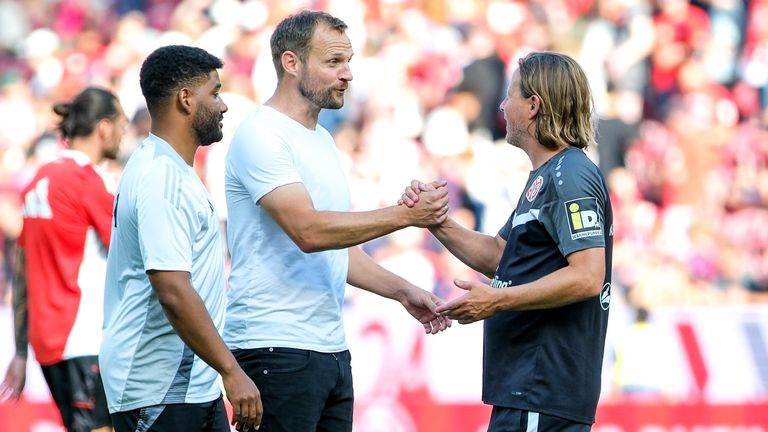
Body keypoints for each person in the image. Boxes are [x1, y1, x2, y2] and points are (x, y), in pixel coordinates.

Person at [224, 10, 451, 432]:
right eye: (333, 62)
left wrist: (404, 291)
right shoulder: (262, 134)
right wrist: (406, 216)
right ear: (291, 63)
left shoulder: (323, 139)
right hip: (273, 346)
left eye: (348, 61)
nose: (347, 74)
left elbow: (338, 251)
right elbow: (308, 231)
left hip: (329, 349)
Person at [402, 52, 614, 431]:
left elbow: (588, 276)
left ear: (533, 106)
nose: (501, 105)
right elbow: (500, 254)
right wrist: (433, 219)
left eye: (510, 94)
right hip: (525, 389)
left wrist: (496, 300)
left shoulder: (570, 175)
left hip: (542, 388)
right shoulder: (548, 176)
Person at [100, 45, 261, 432]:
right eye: (215, 93)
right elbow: (171, 288)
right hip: (158, 387)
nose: (223, 105)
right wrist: (231, 370)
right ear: (186, 99)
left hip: (188, 386)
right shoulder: (162, 177)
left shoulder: (167, 167)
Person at [0, 87, 126, 432]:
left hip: (49, 344)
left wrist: (21, 351)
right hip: (87, 338)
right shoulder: (89, 181)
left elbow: (23, 271)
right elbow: (133, 258)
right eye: (121, 125)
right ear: (104, 128)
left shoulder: (39, 180)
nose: (123, 134)